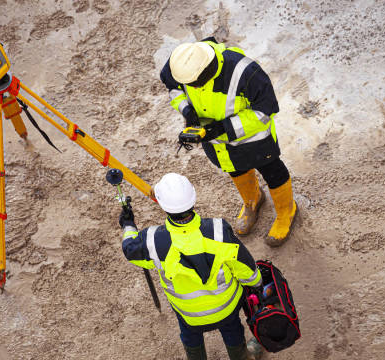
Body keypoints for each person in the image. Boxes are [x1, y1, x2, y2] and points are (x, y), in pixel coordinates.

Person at [160, 37, 296, 247]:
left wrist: (223, 128)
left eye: (195, 84)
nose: (193, 88)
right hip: (218, 144)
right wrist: (187, 110)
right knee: (235, 168)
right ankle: (253, 201)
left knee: (273, 172)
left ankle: (286, 211)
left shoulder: (246, 72)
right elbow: (173, 89)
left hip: (255, 140)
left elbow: (265, 111)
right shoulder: (180, 65)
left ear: (207, 69)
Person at [119, 173, 264, 360]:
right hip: (227, 308)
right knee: (233, 330)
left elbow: (129, 249)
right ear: (193, 199)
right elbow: (248, 271)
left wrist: (128, 224)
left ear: (162, 205)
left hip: (188, 314)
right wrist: (258, 285)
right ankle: (242, 357)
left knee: (190, 336)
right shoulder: (219, 230)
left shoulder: (152, 241)